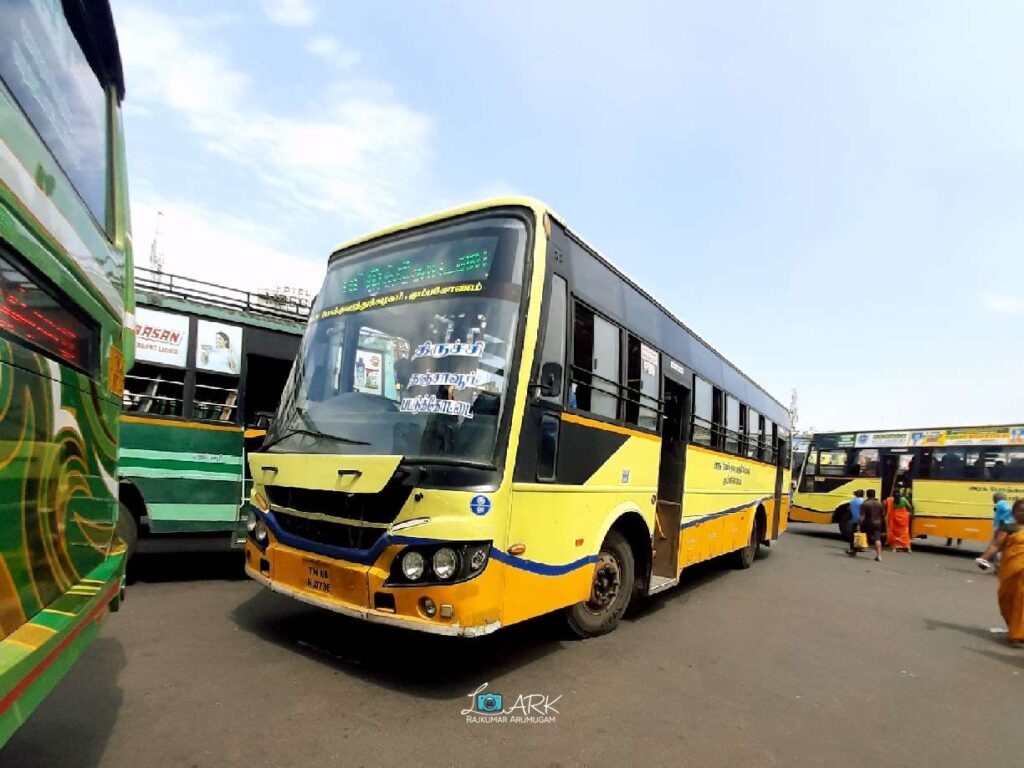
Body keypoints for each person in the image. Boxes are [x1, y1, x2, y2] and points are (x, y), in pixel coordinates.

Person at [989, 499, 1024, 646]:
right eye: (1020, 510)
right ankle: (1015, 628)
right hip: (1010, 570)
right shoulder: (1008, 528)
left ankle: (1017, 635)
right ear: (1014, 512)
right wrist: (984, 558)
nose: (1023, 513)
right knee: (1006, 599)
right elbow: (996, 545)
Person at [977, 492, 1014, 570]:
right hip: (1002, 527)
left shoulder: (1001, 503)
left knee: (995, 546)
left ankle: (985, 561)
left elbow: (1006, 509)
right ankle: (993, 565)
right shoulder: (1001, 504)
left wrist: (1003, 519)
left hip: (1001, 528)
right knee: (997, 547)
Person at [859, 489, 885, 562]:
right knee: (877, 539)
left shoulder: (865, 504)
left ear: (867, 495)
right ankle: (879, 556)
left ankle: (856, 550)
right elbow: (883, 515)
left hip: (868, 523)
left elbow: (862, 517)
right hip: (877, 524)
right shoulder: (880, 503)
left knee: (860, 535)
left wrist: (859, 524)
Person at [846, 490, 865, 555]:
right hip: (861, 519)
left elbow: (849, 508)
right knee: (860, 533)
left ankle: (853, 549)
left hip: (854, 519)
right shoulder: (862, 501)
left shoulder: (852, 501)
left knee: (853, 535)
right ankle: (859, 547)